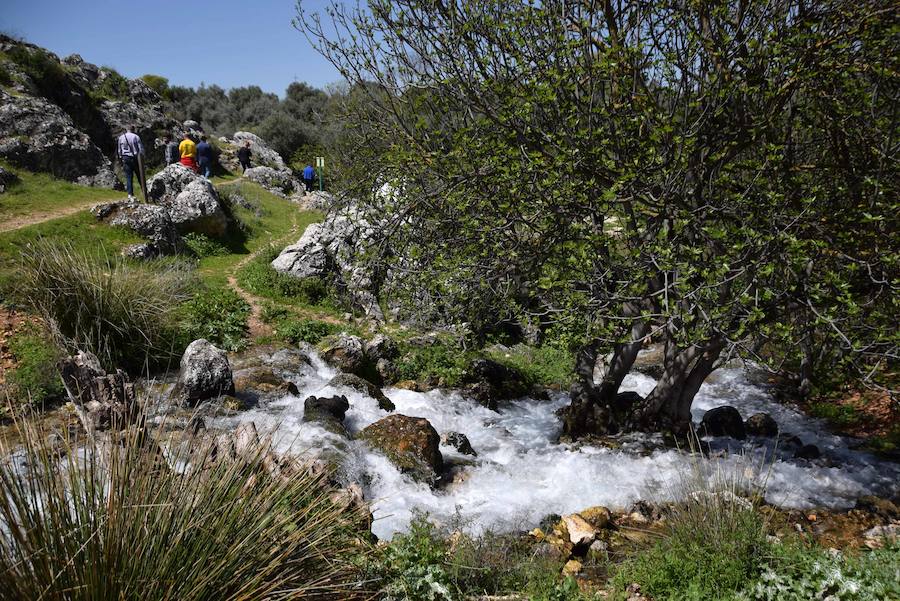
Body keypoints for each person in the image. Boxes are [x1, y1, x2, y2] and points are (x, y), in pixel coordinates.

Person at [116, 125, 144, 201]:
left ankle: (130, 194)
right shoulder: (136, 137)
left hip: (125, 158)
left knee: (128, 176)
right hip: (135, 158)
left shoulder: (121, 137)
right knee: (139, 175)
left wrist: (121, 158)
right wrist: (142, 158)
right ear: (133, 129)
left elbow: (119, 150)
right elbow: (141, 149)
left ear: (126, 129)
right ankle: (144, 191)